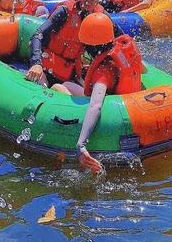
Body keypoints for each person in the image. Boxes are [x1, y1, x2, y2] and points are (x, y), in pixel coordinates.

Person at [55, 12, 143, 173]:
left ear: (89, 45)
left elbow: (96, 105)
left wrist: (81, 144)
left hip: (114, 109)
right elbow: (141, 70)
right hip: (130, 103)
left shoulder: (103, 71)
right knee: (69, 83)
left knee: (59, 87)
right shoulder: (123, 50)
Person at [25, 0, 107, 89]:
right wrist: (36, 64)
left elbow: (110, 44)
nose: (88, 1)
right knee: (43, 87)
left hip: (68, 71)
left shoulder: (100, 17)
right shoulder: (64, 11)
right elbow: (38, 35)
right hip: (45, 66)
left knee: (79, 93)